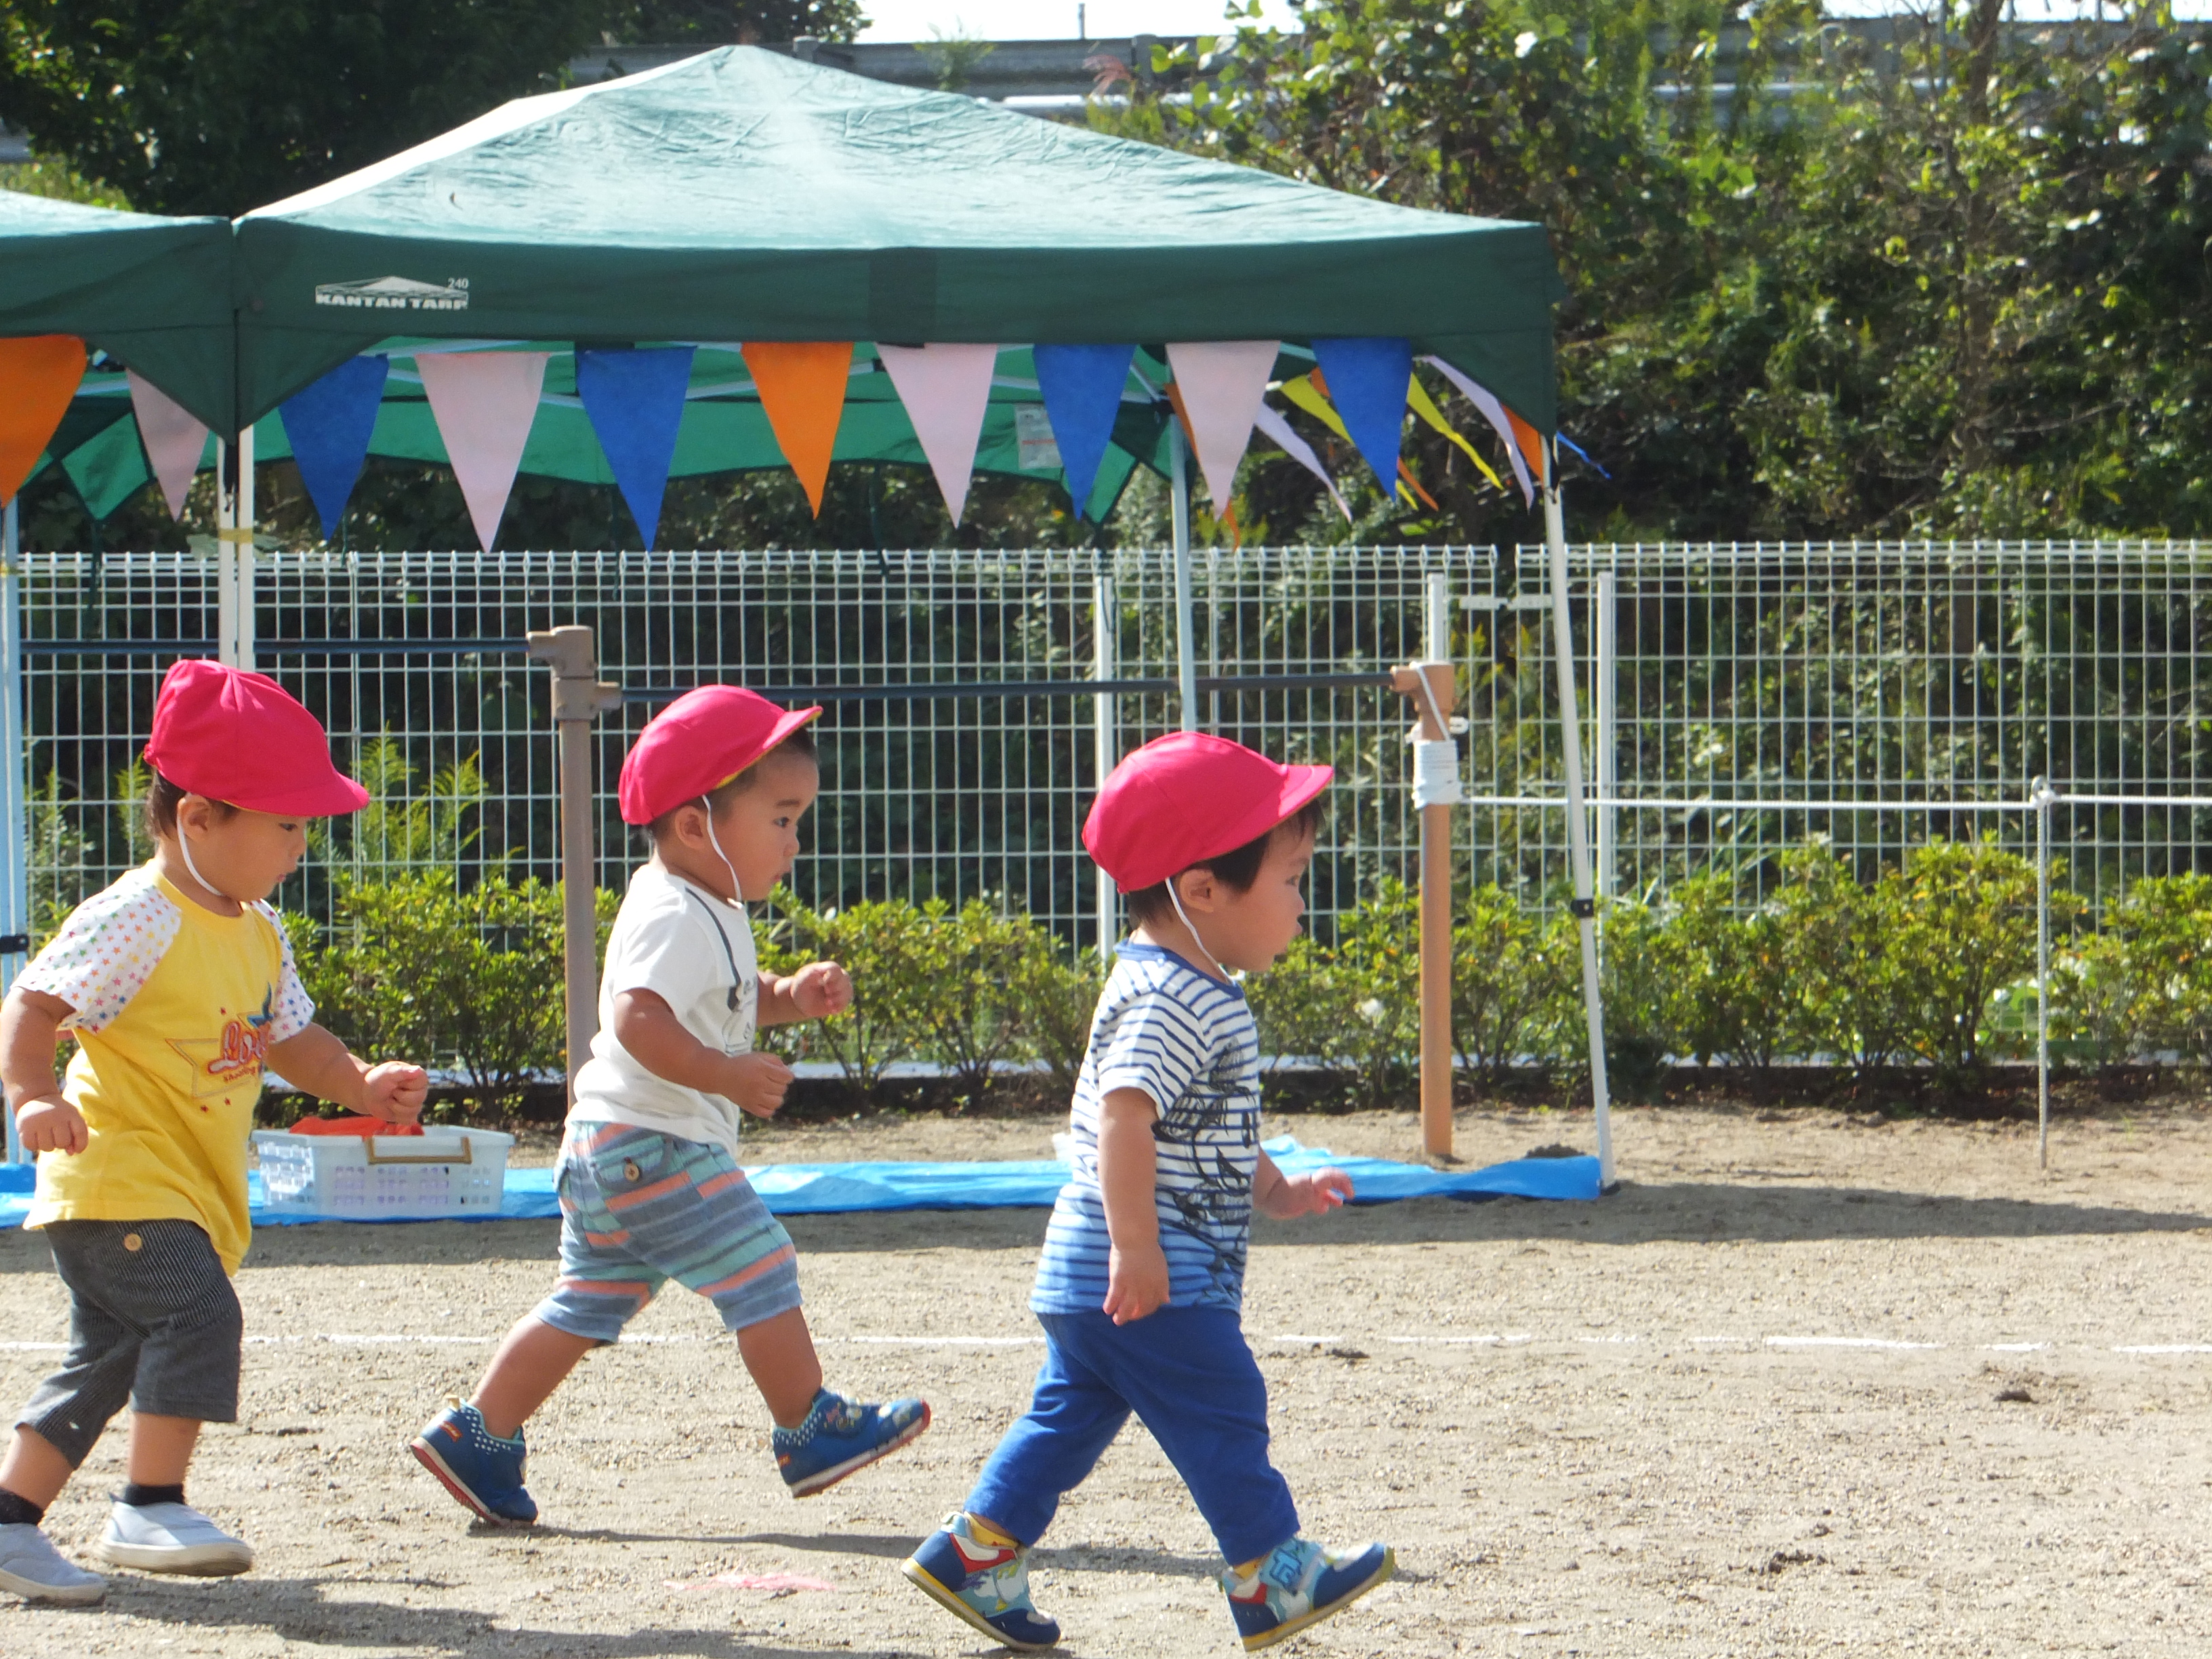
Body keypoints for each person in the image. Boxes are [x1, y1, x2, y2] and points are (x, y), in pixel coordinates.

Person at [903, 731, 1393, 1654]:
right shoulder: (1182, 997)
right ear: (1202, 890)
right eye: (1290, 880)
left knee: (1067, 1420)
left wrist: (1277, 1191)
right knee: (1225, 1402)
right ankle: (1271, 1575)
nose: (1301, 903)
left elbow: (1196, 1131)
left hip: (1091, 1274)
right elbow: (1127, 1117)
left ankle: (976, 1553)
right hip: (1149, 1274)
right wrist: (1139, 1247)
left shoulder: (1164, 977)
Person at [411, 685, 927, 1525]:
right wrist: (721, 1074)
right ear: (696, 825)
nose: (795, 843)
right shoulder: (674, 909)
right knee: (761, 1263)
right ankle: (809, 1428)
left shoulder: (705, 904)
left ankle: (480, 1436)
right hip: (654, 1141)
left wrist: (790, 994)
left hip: (610, 1149)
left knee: (588, 1300)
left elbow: (723, 999)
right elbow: (637, 1016)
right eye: (783, 818)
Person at [0, 661, 429, 1606]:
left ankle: (8, 1524)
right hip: (113, 1174)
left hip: (182, 1188)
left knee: (106, 1358)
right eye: (284, 823)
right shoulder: (136, 916)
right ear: (198, 818)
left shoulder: (261, 930)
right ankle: (150, 1501)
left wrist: (359, 1080)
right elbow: (31, 1005)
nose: (301, 842)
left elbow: (292, 1037)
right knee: (197, 1316)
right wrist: (32, 1098)